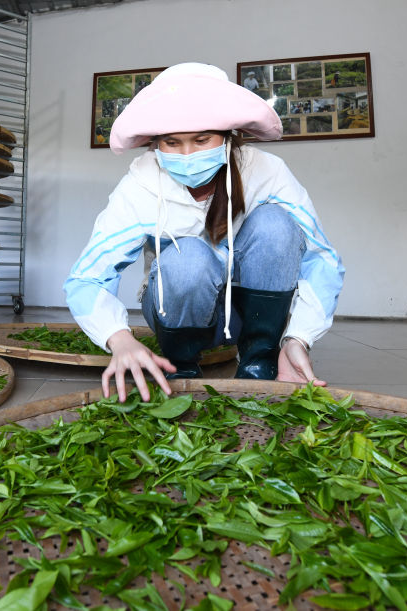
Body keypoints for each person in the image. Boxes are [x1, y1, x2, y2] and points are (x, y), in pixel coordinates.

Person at [64, 62, 344, 401]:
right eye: (172, 142)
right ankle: (180, 366)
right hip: (176, 317)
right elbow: (87, 279)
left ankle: (260, 361)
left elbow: (321, 259)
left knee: (275, 224)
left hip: (242, 316)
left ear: (227, 136)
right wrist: (119, 338)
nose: (187, 155)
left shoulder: (265, 171)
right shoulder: (140, 185)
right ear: (155, 144)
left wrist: (298, 337)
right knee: (190, 257)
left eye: (201, 140)